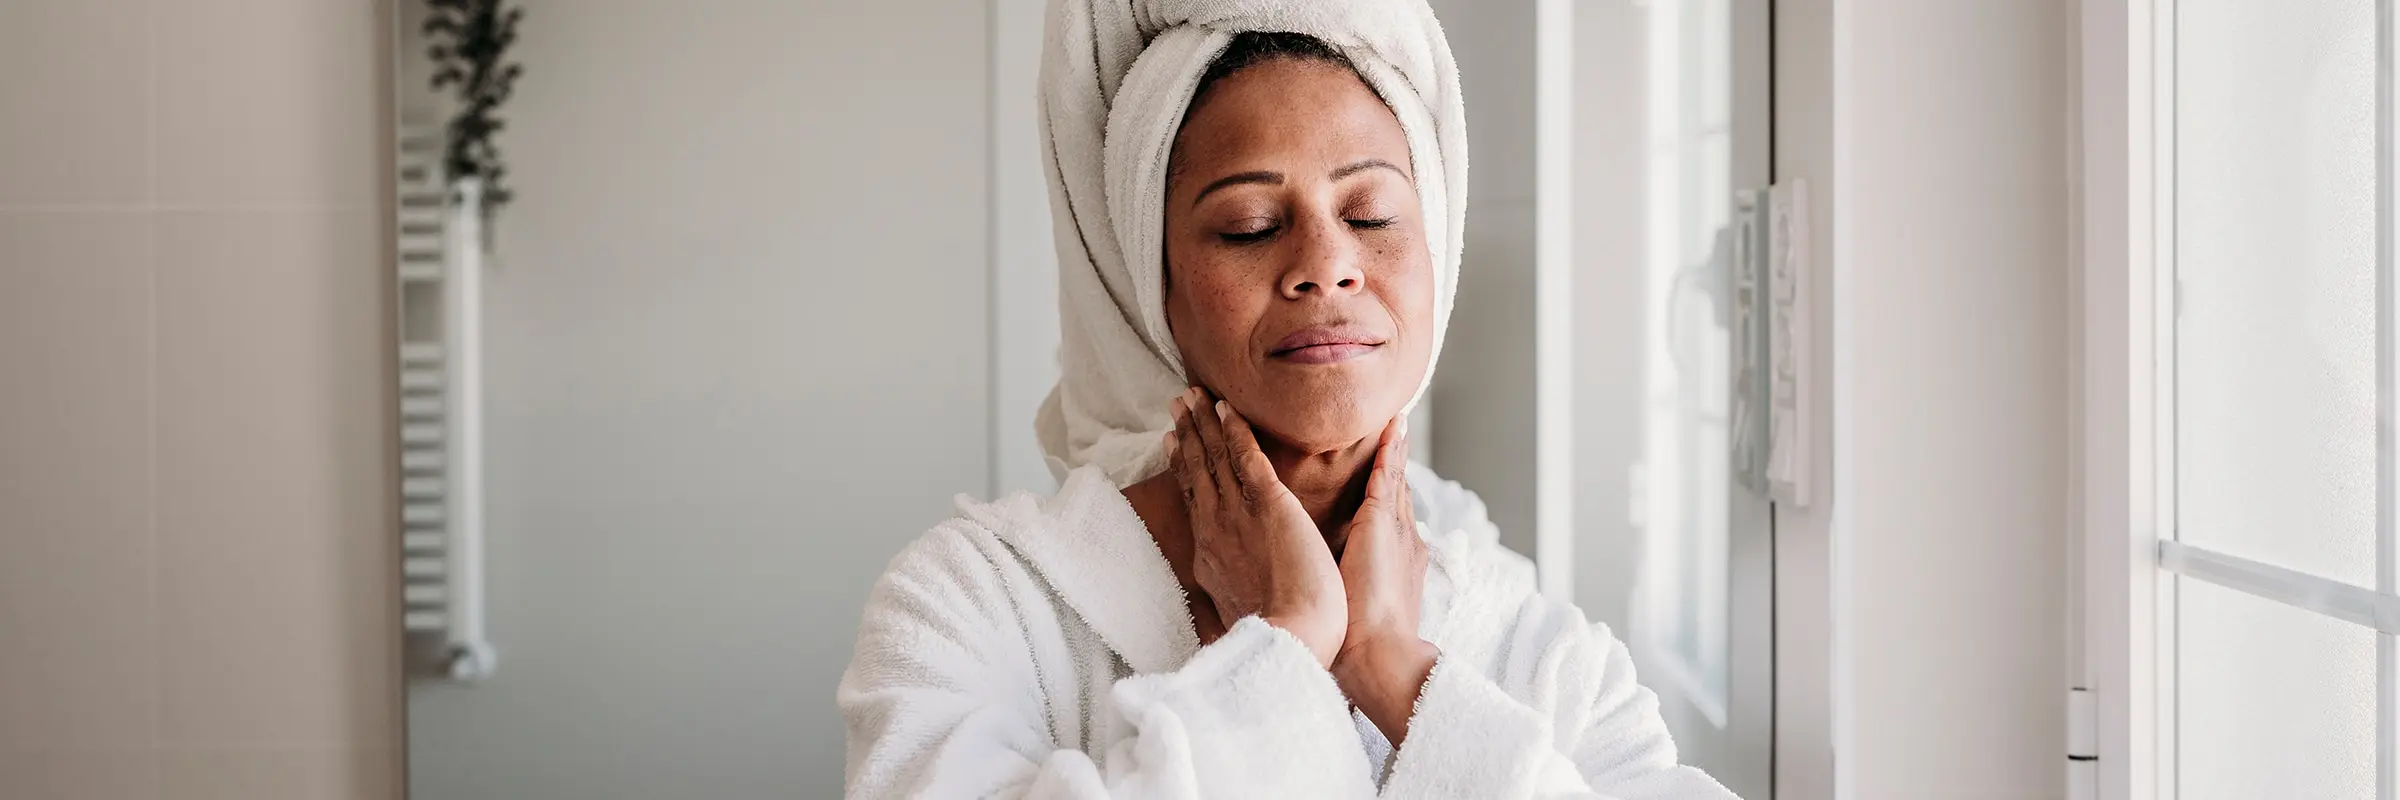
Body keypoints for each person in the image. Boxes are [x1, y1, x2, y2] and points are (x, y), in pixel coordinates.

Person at [839, 2, 1734, 796]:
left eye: (1373, 214)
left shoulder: (1538, 648)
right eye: (1250, 227)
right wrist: (1286, 646)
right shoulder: (974, 606)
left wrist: (1394, 671)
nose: (1325, 264)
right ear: (1153, 294)